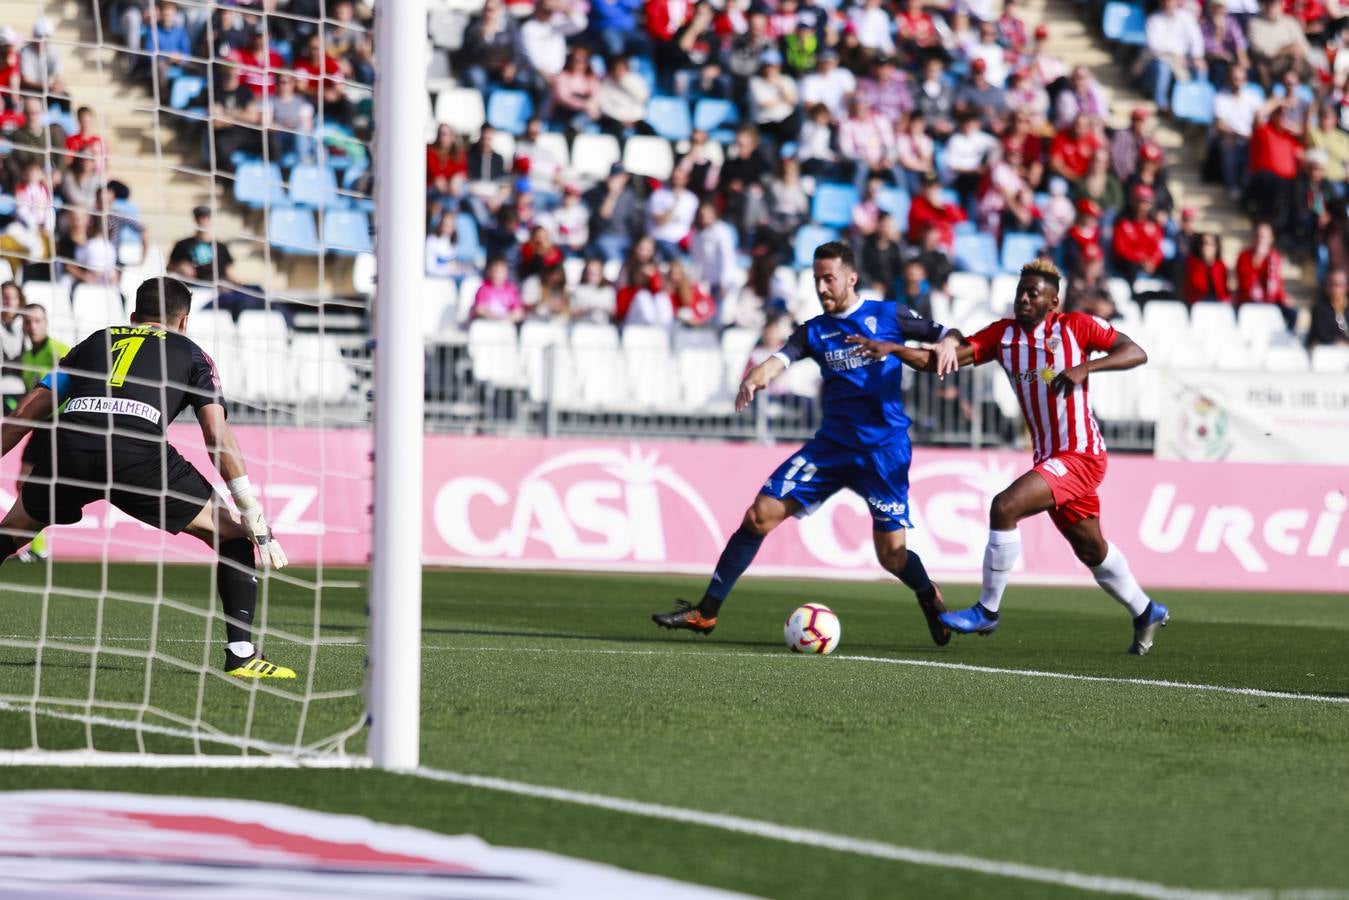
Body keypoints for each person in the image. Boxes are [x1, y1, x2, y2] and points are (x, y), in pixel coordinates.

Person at [849, 259, 1169, 655]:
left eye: (1034, 293)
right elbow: (940, 362)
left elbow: (1135, 351)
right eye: (1021, 291)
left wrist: (1088, 366)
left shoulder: (1076, 327)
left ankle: (988, 609)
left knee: (1004, 507)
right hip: (1051, 456)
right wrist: (895, 349)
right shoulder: (1004, 337)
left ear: (1054, 300)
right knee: (1091, 549)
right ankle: (1146, 611)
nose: (1024, 298)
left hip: (1081, 454)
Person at [651, 241, 961, 646]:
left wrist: (950, 343)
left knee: (892, 556)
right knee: (758, 516)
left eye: (829, 278)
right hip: (830, 448)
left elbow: (947, 334)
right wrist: (758, 374)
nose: (822, 287)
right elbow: (781, 357)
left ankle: (926, 592)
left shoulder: (888, 315)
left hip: (884, 452)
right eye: (816, 279)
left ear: (851, 278)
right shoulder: (815, 330)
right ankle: (706, 612)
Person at [0, 278, 293, 677]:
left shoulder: (93, 342)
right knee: (233, 534)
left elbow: (23, 416)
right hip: (135, 455)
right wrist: (251, 509)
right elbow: (216, 437)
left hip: (69, 450)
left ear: (135, 316)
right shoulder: (192, 353)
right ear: (184, 321)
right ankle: (242, 655)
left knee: (12, 532)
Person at [10, 301, 67, 562]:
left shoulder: (58, 351)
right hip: (41, 427)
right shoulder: (29, 356)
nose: (32, 326)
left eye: (37, 321)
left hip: (60, 426)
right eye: (28, 321)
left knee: (42, 487)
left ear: (46, 323)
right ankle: (38, 547)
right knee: (23, 482)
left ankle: (37, 545)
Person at [1235, 221, 1295, 328]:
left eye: (1263, 236)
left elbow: (1277, 283)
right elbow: (1245, 283)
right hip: (1248, 299)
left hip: (1270, 299)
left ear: (1270, 239)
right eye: (1258, 236)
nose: (1260, 240)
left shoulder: (1275, 257)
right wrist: (1256, 260)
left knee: (1293, 313)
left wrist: (1283, 297)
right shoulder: (1244, 256)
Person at [1181, 233, 1231, 303]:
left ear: (1216, 247)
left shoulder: (1220, 266)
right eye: (1203, 243)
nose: (1205, 247)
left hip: (1218, 305)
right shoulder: (1192, 263)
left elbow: (1223, 292)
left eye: (1209, 244)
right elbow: (1195, 287)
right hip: (1197, 305)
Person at [1306, 269, 1349, 348]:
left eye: (1338, 285)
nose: (1334, 289)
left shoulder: (1346, 308)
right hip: (1326, 353)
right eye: (1331, 284)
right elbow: (1323, 336)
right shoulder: (1319, 309)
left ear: (1346, 287)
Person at [0, 282, 25, 411]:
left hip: (23, 392)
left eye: (14, 298)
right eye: (4, 297)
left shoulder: (27, 326)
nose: (9, 302)